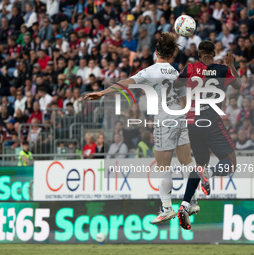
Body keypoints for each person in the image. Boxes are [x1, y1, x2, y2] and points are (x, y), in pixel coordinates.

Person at [84, 32, 198, 224]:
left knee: (163, 166)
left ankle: (166, 207)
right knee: (187, 162)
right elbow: (183, 99)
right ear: (171, 55)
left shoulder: (150, 71)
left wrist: (103, 92)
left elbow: (125, 84)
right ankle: (192, 201)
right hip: (180, 117)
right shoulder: (174, 72)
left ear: (156, 52)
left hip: (164, 120)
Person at [174, 41, 241, 230]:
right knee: (231, 162)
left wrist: (183, 103)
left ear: (199, 54)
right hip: (211, 122)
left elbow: (174, 85)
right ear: (214, 53)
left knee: (200, 164)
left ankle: (186, 204)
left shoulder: (190, 68)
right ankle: (208, 174)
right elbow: (238, 85)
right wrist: (231, 65)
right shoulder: (221, 69)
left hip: (192, 123)